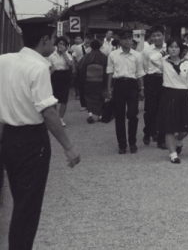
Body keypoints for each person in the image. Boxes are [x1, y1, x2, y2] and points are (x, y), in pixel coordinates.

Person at [0, 17, 81, 250]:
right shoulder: (39, 67)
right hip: (31, 142)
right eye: (54, 39)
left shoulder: (4, 60)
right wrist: (68, 147)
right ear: (45, 40)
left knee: (19, 200)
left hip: (9, 138)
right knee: (28, 208)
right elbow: (48, 112)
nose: (55, 44)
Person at [150, 38, 188, 164]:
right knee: (169, 127)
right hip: (168, 94)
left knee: (185, 129)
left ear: (180, 49)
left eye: (176, 47)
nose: (173, 49)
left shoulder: (187, 64)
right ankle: (173, 154)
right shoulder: (164, 63)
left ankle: (178, 141)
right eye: (171, 46)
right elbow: (153, 59)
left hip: (183, 95)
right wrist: (163, 52)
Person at [106, 29, 145, 154]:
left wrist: (142, 88)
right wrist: (109, 88)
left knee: (133, 114)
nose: (128, 41)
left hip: (132, 85)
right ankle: (122, 144)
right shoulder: (113, 55)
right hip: (119, 85)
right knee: (119, 116)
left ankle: (132, 142)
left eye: (129, 38)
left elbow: (139, 73)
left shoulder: (137, 55)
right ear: (120, 40)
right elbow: (110, 72)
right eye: (125, 39)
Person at [141, 25, 167, 148]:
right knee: (150, 110)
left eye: (158, 35)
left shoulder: (169, 48)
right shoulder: (146, 50)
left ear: (163, 35)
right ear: (150, 38)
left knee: (163, 110)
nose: (156, 38)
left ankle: (161, 138)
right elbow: (144, 67)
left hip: (165, 80)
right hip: (151, 80)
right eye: (153, 36)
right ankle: (148, 132)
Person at [77, 39, 108, 123]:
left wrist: (83, 78)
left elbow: (80, 68)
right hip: (101, 80)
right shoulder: (104, 57)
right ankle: (100, 115)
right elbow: (107, 69)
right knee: (100, 97)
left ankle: (90, 114)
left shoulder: (86, 56)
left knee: (89, 97)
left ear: (91, 46)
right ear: (100, 46)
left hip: (89, 80)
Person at [48, 36, 74, 127]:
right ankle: (54, 119)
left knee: (64, 100)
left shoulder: (68, 55)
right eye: (60, 44)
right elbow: (48, 68)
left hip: (65, 76)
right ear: (57, 44)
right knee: (54, 99)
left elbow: (70, 64)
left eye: (64, 44)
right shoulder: (51, 56)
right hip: (55, 77)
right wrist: (52, 71)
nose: (61, 46)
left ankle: (61, 118)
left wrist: (64, 53)